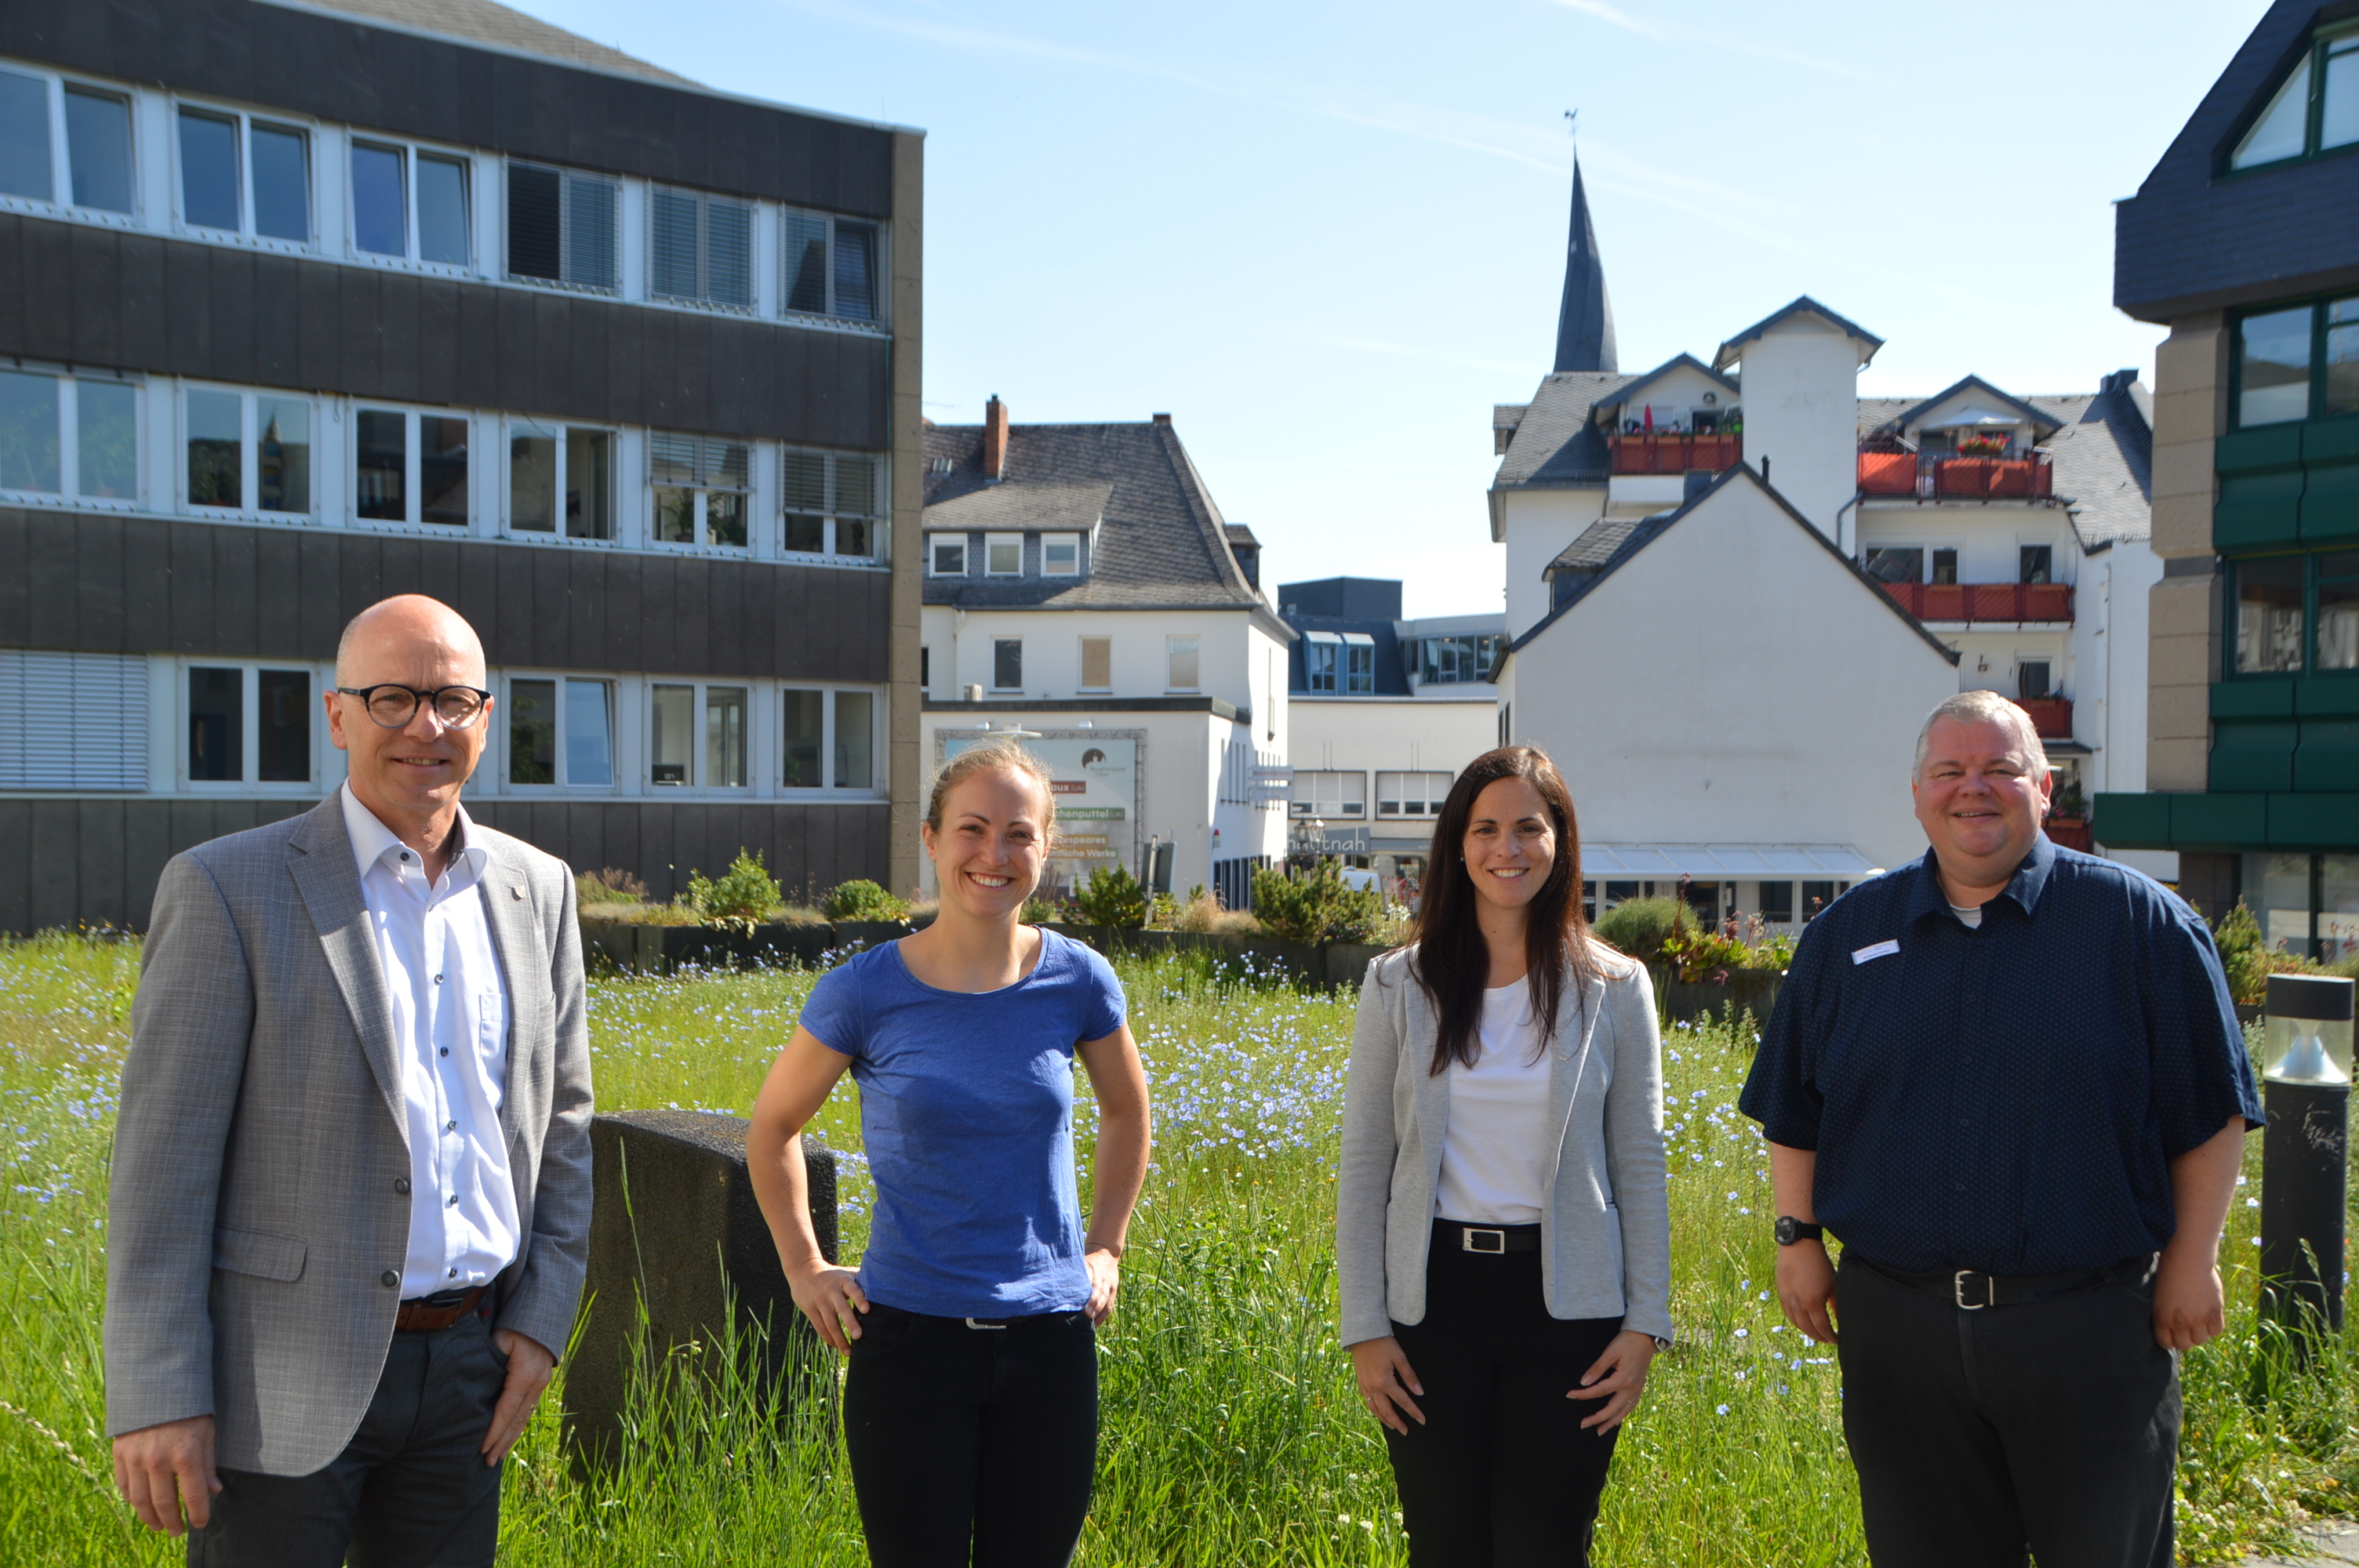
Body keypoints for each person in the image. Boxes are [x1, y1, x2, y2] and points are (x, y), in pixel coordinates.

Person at [105, 594, 594, 1565]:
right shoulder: (227, 889)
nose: (427, 725)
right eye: (393, 698)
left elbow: (565, 1123)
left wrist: (540, 1321)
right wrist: (162, 1390)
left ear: (486, 718)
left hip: (469, 1366)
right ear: (338, 715)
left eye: (453, 699)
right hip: (278, 1373)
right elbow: (163, 1169)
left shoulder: (538, 888)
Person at [1739, 689, 2263, 1568]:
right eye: (1948, 770)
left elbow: (2209, 1109)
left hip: (2088, 1331)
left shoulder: (2142, 927)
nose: (1971, 789)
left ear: (2044, 787)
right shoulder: (1845, 937)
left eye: (1998, 768)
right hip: (1898, 1336)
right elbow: (1795, 1106)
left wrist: (2192, 1258)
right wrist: (1796, 1238)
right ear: (1915, 792)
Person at [746, 742, 1152, 1568]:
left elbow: (1125, 1109)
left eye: (1018, 833)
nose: (993, 854)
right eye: (971, 829)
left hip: (1049, 1342)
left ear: (1043, 847)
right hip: (907, 1347)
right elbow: (772, 1127)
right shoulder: (863, 990)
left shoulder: (1079, 978)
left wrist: (1105, 1244)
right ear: (930, 839)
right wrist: (802, 1265)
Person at [1337, 746, 1673, 1567]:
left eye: (1529, 825)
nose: (1506, 847)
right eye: (1484, 827)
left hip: (1569, 1310)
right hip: (1430, 1307)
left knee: (1545, 1547)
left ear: (1560, 838)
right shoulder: (1396, 984)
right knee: (1443, 1545)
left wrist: (1644, 1322)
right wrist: (1364, 1325)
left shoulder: (1614, 987)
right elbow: (1363, 1162)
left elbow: (1640, 1160)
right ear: (1456, 844)